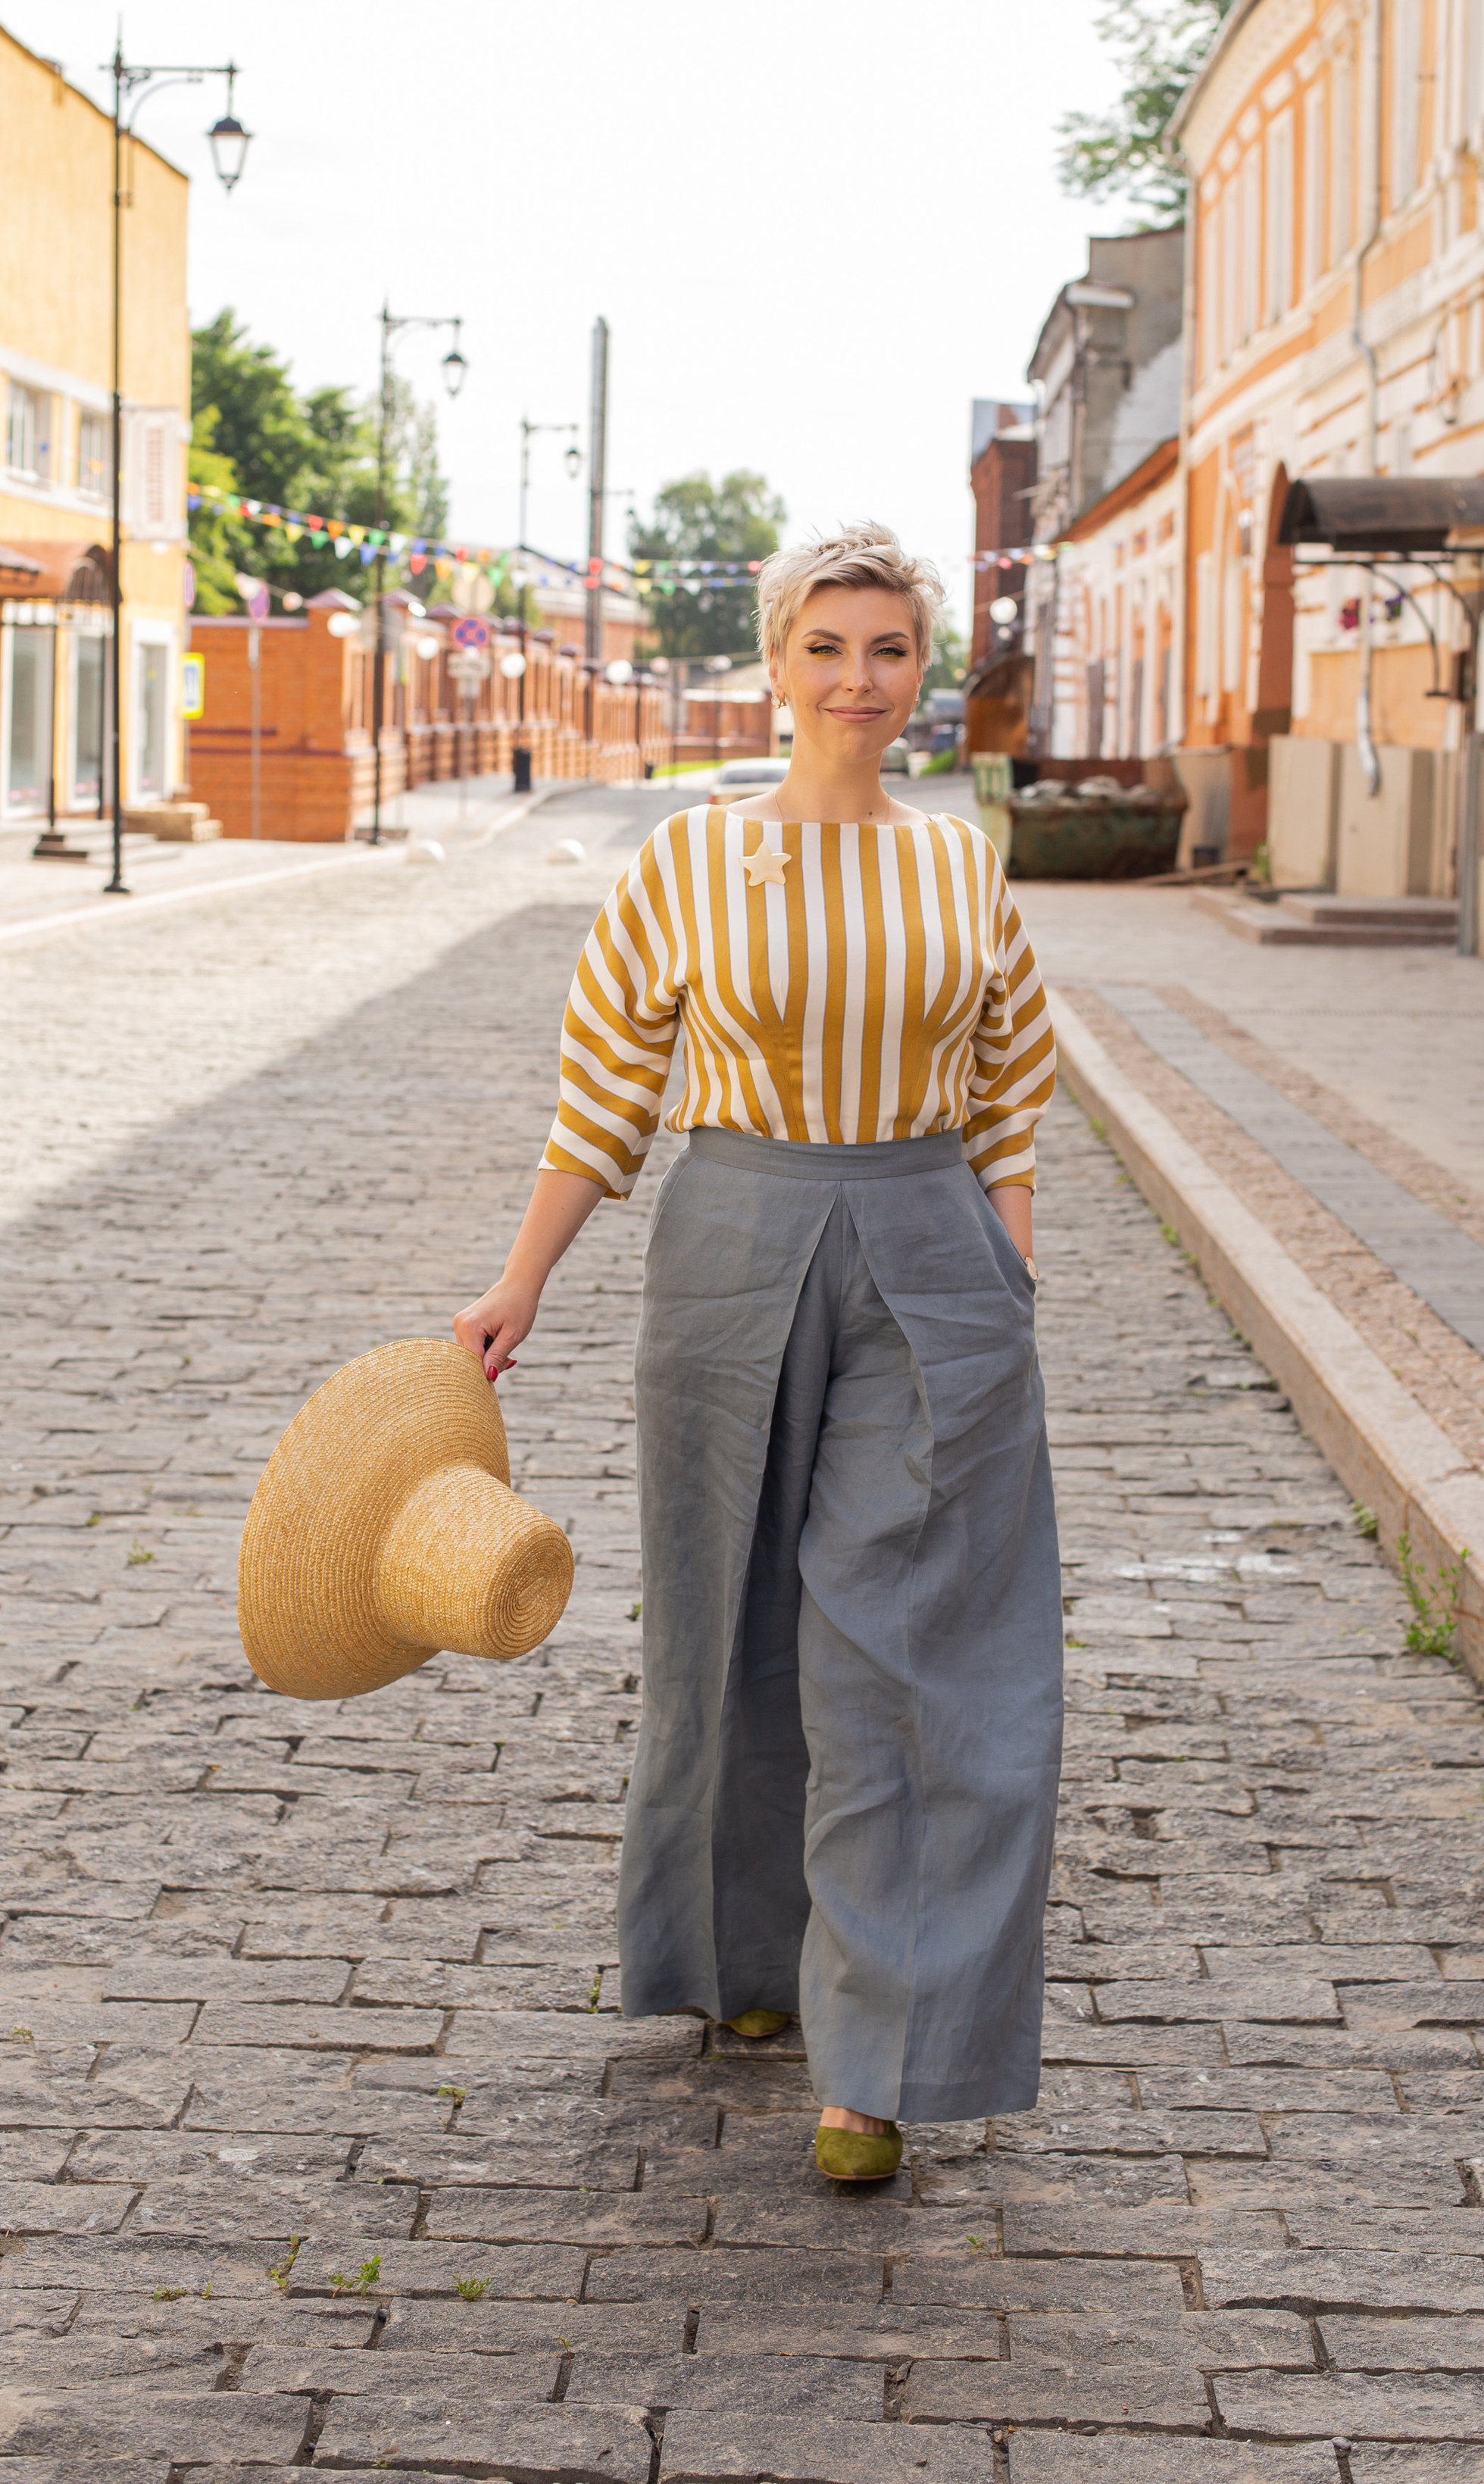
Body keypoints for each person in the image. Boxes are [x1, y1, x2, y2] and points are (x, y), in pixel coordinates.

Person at [455, 523, 1061, 2182]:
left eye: (885, 651)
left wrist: (1004, 1251)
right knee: (723, 1619)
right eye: (825, 648)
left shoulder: (960, 864)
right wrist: (521, 1285)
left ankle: (872, 2059)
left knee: (900, 1650)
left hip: (928, 1259)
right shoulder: (687, 860)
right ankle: (734, 1960)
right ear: (775, 664)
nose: (855, 681)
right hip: (729, 1242)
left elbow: (1010, 1063)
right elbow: (604, 1088)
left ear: (917, 674)